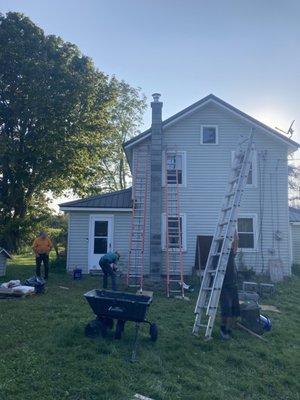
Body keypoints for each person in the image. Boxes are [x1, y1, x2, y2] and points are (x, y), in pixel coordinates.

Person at [220, 231, 240, 340]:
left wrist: (235, 231)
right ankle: (223, 329)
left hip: (233, 285)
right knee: (226, 310)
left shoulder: (231, 254)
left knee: (235, 310)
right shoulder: (219, 256)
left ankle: (229, 329)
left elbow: (236, 241)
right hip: (224, 286)